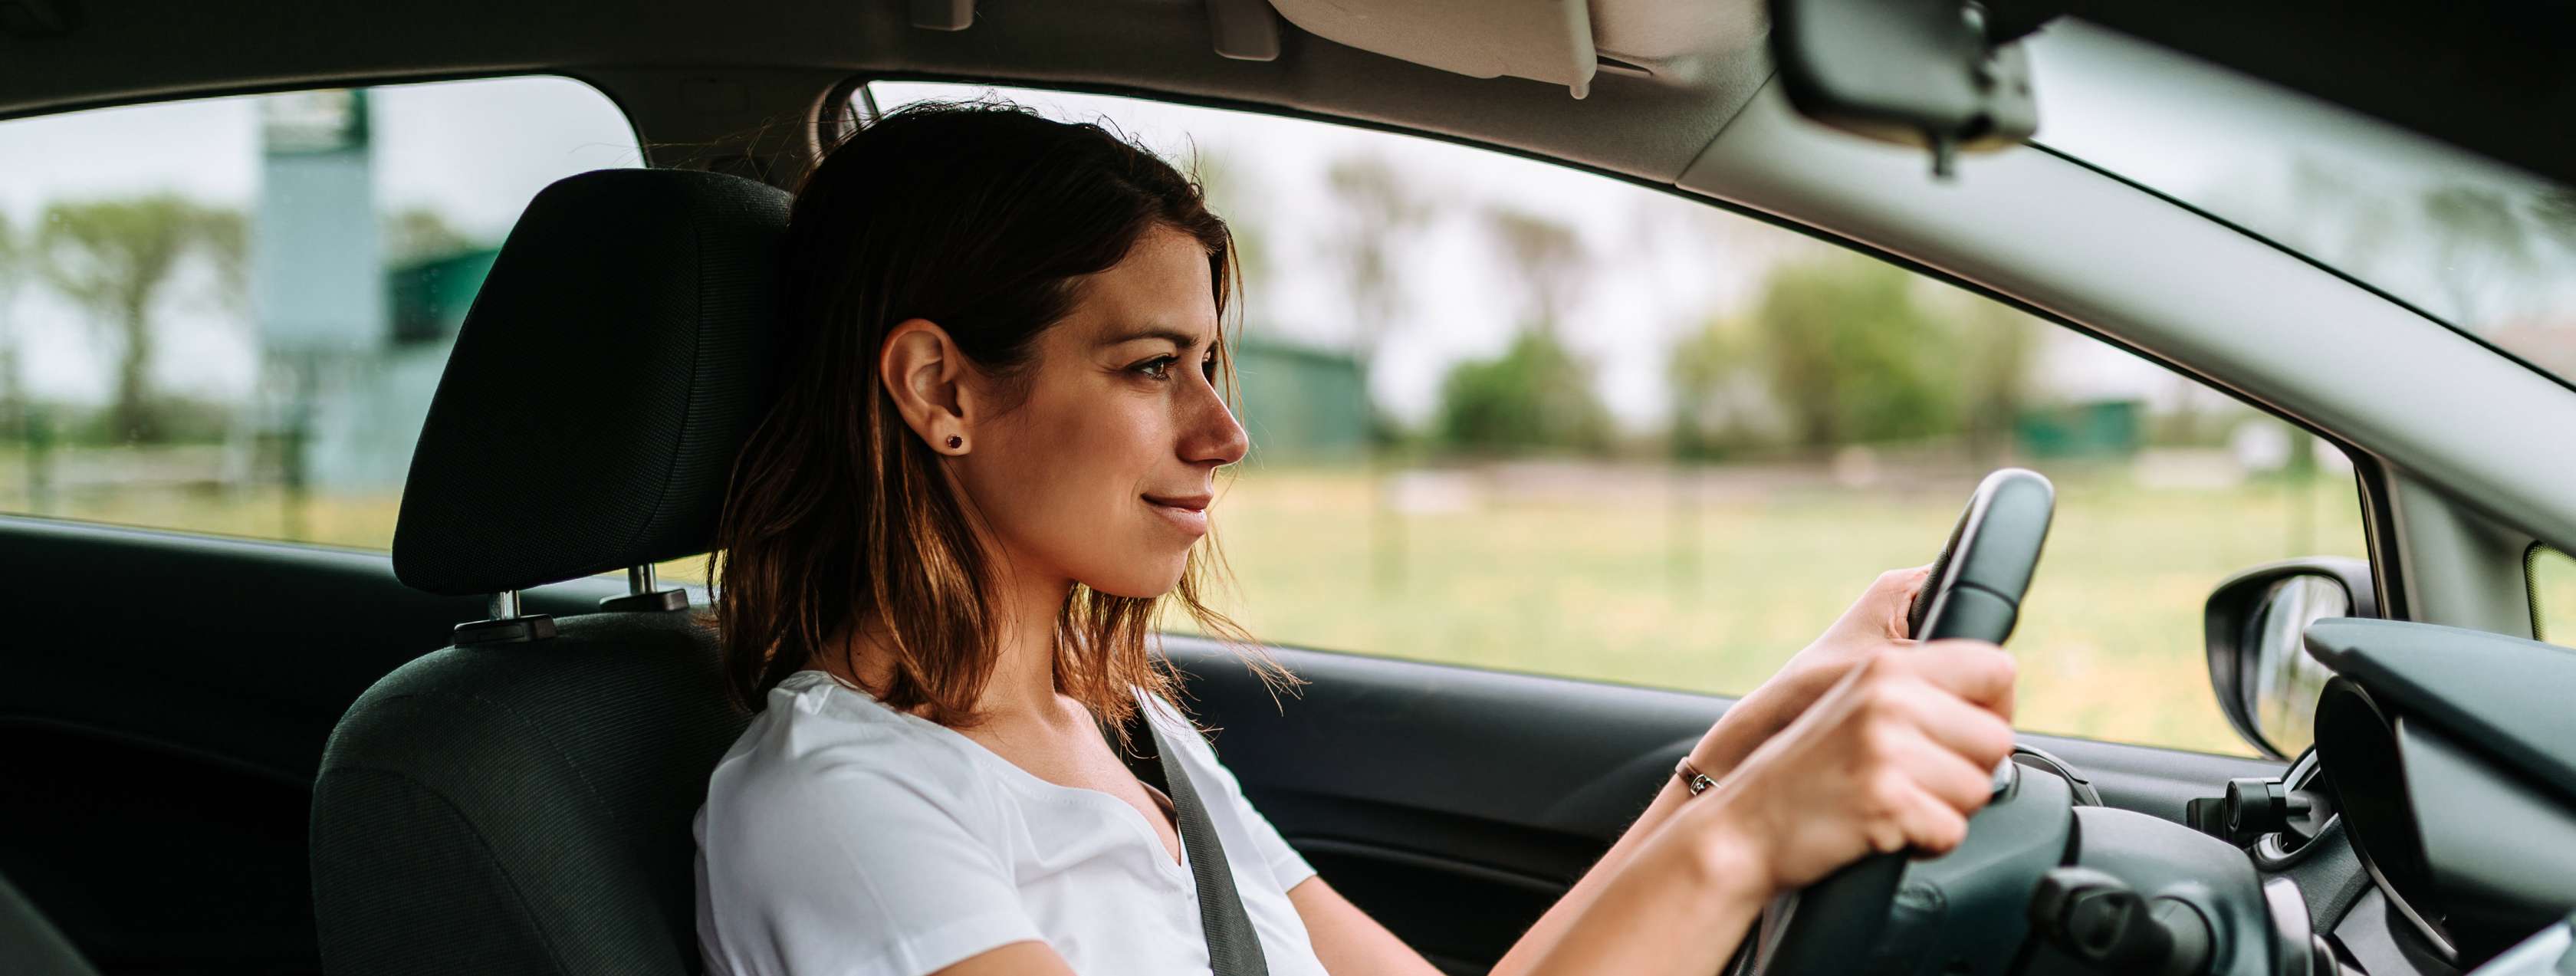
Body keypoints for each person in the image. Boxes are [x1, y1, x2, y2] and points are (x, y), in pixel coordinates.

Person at [691, 100, 2018, 976]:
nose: (1226, 431)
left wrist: (1749, 746)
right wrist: (1747, 841)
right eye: (1155, 367)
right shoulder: (842, 811)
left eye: (1215, 363)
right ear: (942, 390)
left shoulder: (1121, 737)